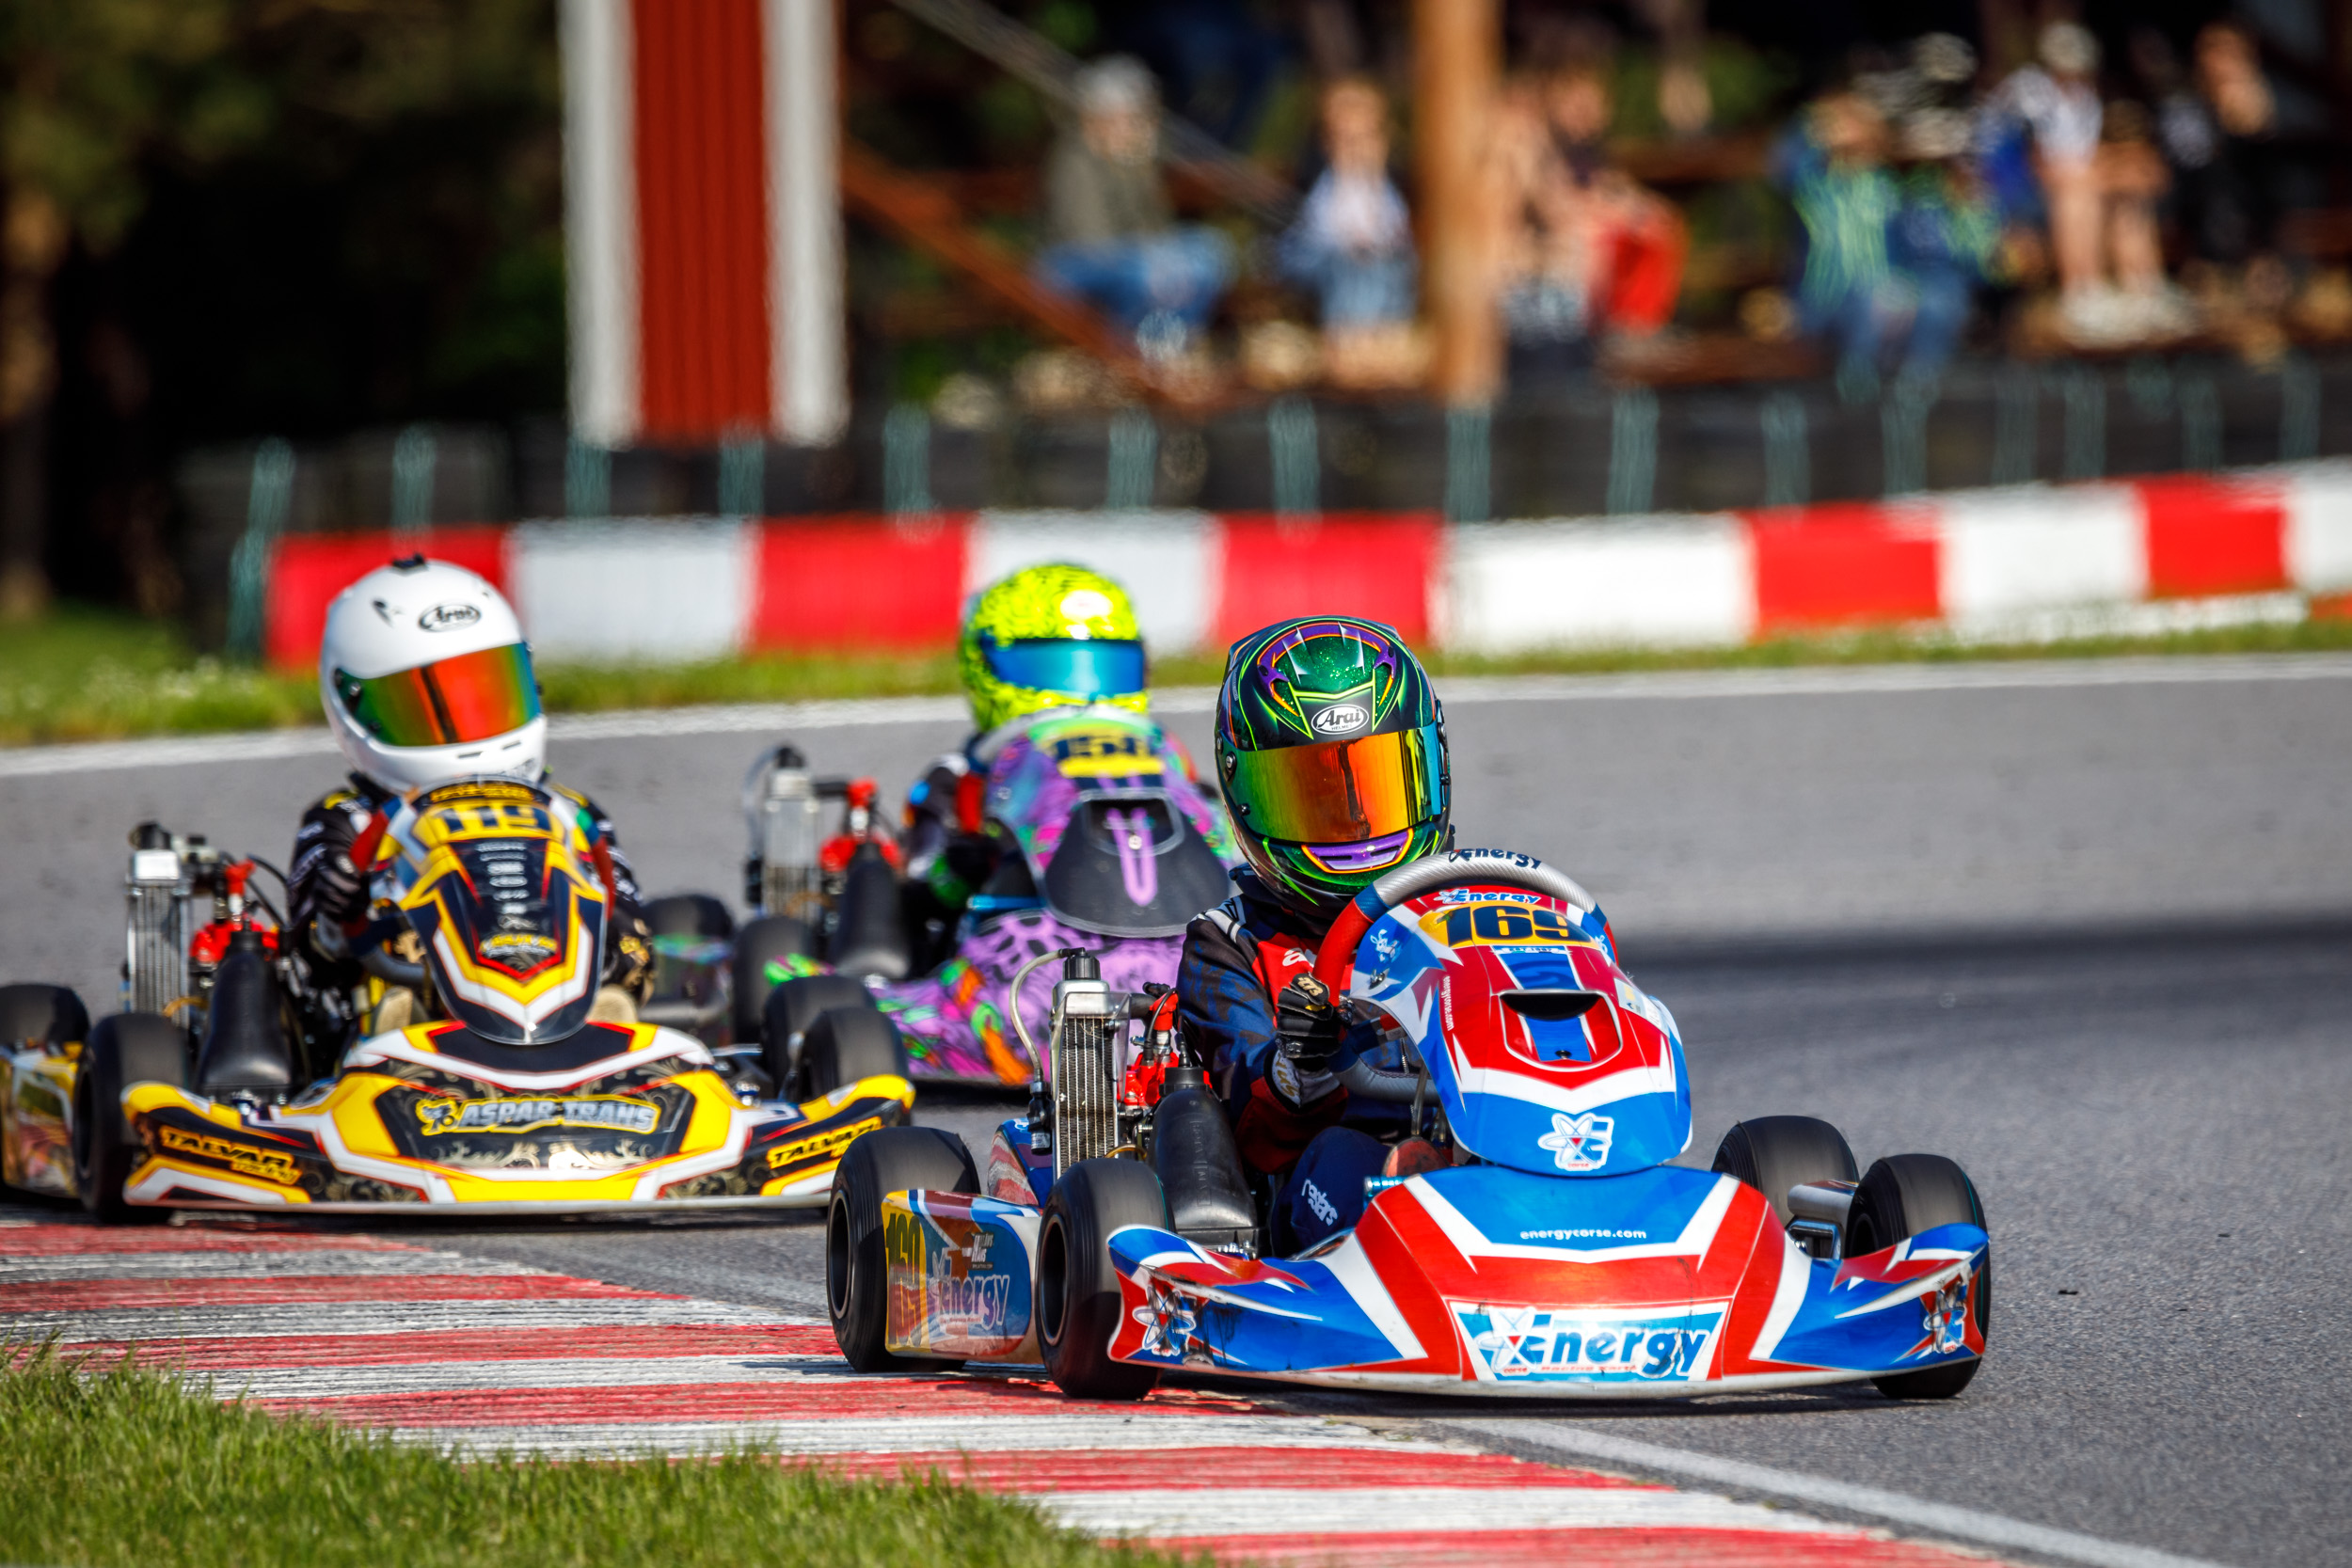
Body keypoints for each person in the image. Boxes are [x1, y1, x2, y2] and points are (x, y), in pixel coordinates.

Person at [1177, 616, 1467, 1255]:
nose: (1356, 825)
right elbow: (1258, 1130)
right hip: (1321, 1187)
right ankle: (1419, 1227)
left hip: (1490, 1140)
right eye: (1314, 796)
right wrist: (1301, 1061)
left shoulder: (1474, 906)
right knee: (1345, 1157)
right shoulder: (1229, 944)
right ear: (1246, 798)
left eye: (1380, 786)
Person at [289, 556, 652, 1037]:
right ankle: (409, 1026)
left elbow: (630, 925)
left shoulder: (571, 813)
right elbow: (317, 956)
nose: (466, 727)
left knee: (629, 948)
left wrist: (616, 935)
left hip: (568, 997)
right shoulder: (348, 819)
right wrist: (349, 905)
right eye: (419, 706)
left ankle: (594, 1026)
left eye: (486, 695)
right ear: (353, 708)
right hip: (417, 1014)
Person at [898, 562, 1156, 958]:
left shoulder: (1163, 772)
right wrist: (967, 862)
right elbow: (922, 889)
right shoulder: (960, 780)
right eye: (1052, 667)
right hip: (1012, 959)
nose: (1082, 695)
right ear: (984, 665)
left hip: (1158, 949)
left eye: (1107, 667)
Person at [1034, 55, 1235, 359]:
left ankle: (1169, 348)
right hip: (1069, 264)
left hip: (1128, 256)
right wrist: (1153, 255)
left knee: (1211, 251)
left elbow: (1157, 226)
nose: (1141, 125)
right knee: (1148, 273)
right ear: (1101, 116)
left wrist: (1137, 170)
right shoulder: (1076, 160)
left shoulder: (1133, 159)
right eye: (1133, 115)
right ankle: (1128, 353)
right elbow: (1091, 240)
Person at [1275, 78, 1420, 386]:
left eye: (1365, 137)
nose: (1356, 148)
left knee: (1389, 269)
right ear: (1327, 142)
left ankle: (1383, 346)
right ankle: (1349, 347)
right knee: (1350, 268)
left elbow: (1392, 231)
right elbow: (1320, 232)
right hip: (1328, 267)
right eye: (1345, 139)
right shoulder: (1323, 188)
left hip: (1379, 270)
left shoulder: (1390, 190)